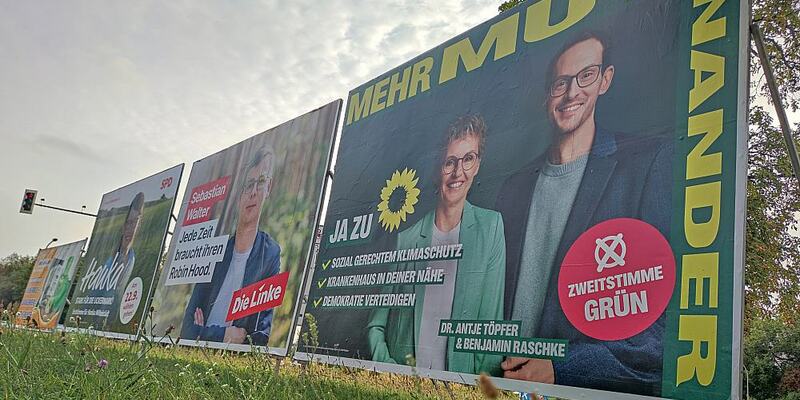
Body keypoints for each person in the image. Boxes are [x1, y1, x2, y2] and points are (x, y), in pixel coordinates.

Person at [495, 32, 671, 396]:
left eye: (586, 76)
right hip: (499, 383)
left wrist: (562, 368)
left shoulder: (646, 165)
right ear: (547, 95)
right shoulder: (512, 187)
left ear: (605, 80)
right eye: (561, 82)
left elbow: (663, 332)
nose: (572, 92)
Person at [367, 115, 506, 375]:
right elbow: (376, 325)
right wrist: (391, 374)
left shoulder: (491, 228)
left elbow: (492, 328)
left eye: (468, 159)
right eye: (449, 162)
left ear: (477, 165)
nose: (458, 173)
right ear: (437, 168)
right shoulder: (406, 239)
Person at [181, 147, 281, 346]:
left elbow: (260, 336)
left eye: (260, 183)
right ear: (238, 195)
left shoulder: (270, 253)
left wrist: (205, 331)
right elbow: (187, 329)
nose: (253, 192)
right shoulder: (217, 252)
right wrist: (224, 335)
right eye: (248, 184)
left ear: (268, 187)